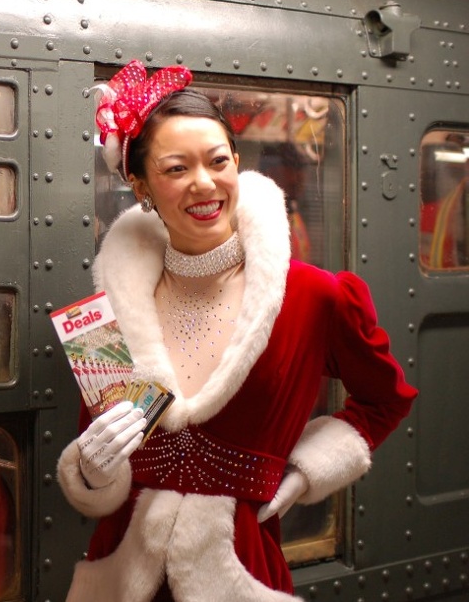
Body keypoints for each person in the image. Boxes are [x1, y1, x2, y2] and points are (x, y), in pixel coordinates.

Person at [56, 60, 417, 602]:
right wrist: (92, 469)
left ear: (237, 163)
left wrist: (304, 473)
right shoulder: (107, 317)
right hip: (121, 572)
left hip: (240, 569)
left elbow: (384, 401)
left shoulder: (312, 297)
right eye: (176, 169)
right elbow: (100, 440)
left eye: (217, 160)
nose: (204, 183)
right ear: (141, 187)